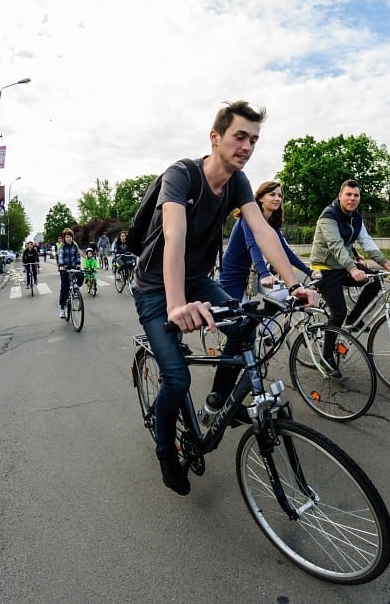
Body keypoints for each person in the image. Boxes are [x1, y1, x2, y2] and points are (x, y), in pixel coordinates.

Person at [132, 100, 316, 496]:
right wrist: (177, 304)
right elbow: (174, 236)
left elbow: (263, 231)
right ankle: (166, 449)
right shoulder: (181, 175)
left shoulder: (238, 183)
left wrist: (294, 284)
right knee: (177, 379)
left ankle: (217, 399)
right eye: (239, 136)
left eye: (254, 139)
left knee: (246, 325)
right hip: (155, 287)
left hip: (198, 279)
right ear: (215, 138)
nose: (247, 146)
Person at [309, 180, 390, 363]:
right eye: (348, 194)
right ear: (340, 196)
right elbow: (336, 246)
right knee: (338, 312)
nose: (352, 198)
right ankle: (326, 358)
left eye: (356, 195)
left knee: (375, 280)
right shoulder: (329, 216)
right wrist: (352, 268)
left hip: (343, 265)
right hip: (325, 268)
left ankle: (353, 318)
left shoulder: (356, 217)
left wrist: (388, 266)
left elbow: (367, 242)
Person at [219, 180, 311, 301]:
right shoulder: (247, 217)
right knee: (240, 315)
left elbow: (285, 251)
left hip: (254, 272)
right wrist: (265, 273)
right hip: (233, 275)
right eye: (272, 194)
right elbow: (252, 245)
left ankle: (265, 320)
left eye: (280, 195)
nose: (277, 198)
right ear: (261, 198)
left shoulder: (271, 224)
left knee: (283, 297)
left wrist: (309, 272)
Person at [56, 229, 81, 319]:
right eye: (67, 237)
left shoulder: (75, 246)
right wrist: (61, 265)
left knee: (81, 276)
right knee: (64, 287)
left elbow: (78, 255)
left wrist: (78, 263)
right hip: (65, 268)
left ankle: (75, 291)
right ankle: (62, 308)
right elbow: (61, 256)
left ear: (72, 237)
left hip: (74, 267)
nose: (69, 239)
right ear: (64, 238)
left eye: (70, 237)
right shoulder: (62, 246)